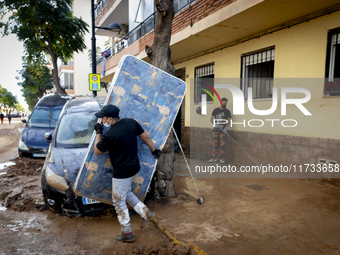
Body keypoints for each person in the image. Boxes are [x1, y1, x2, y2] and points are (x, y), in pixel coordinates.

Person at [93, 105, 162, 243]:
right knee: (125, 192)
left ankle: (127, 232)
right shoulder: (131, 123)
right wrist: (154, 150)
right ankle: (146, 212)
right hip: (134, 167)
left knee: (118, 201)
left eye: (103, 118)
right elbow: (145, 137)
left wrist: (98, 132)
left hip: (122, 172)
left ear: (110, 118)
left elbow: (97, 151)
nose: (102, 119)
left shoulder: (108, 135)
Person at [208, 98, 232, 164]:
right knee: (214, 145)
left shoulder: (227, 111)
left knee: (223, 145)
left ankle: (222, 159)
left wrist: (226, 127)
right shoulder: (216, 110)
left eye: (226, 103)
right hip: (215, 130)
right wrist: (214, 124)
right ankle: (213, 158)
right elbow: (211, 119)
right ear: (221, 102)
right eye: (224, 103)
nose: (225, 104)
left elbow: (229, 121)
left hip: (223, 131)